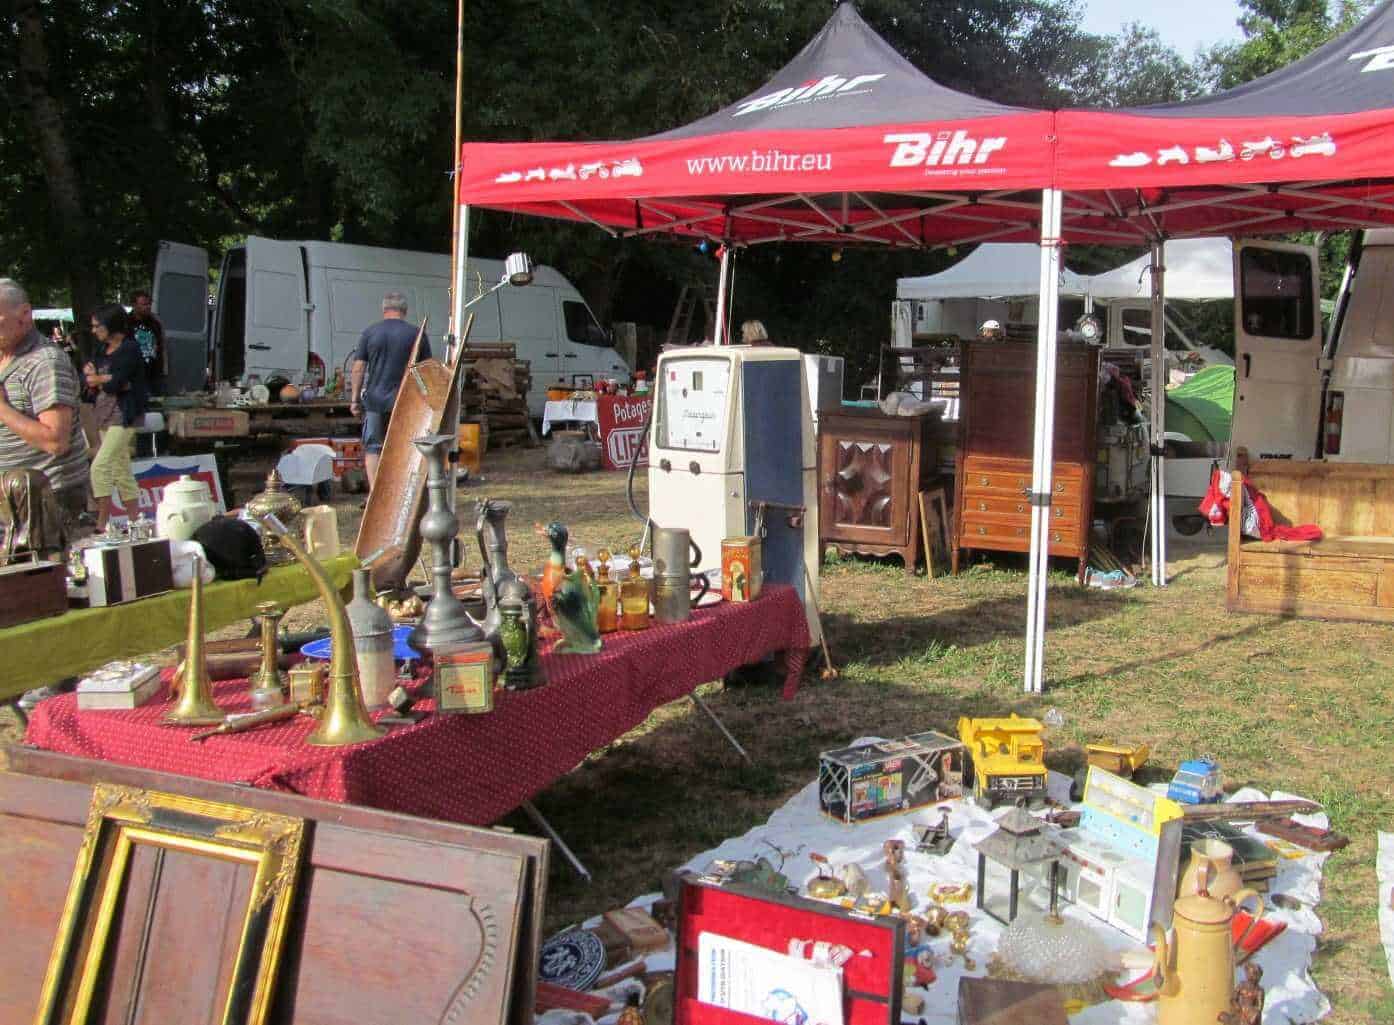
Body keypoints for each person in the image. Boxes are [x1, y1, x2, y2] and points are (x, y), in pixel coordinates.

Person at [0, 278, 89, 534]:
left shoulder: (45, 362)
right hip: (12, 504)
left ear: (25, 314)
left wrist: (2, 408)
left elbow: (56, 441)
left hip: (46, 505)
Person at [350, 291, 430, 487]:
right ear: (405, 310)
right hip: (405, 401)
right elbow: (427, 370)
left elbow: (358, 368)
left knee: (373, 448)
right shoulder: (416, 334)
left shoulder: (370, 333)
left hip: (375, 401)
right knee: (404, 447)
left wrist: (354, 400)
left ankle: (375, 494)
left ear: (384, 309)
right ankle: (401, 491)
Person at [83, 304, 148, 530]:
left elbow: (118, 382)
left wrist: (100, 379)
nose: (94, 331)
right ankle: (135, 521)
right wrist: (101, 378)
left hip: (124, 415)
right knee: (121, 470)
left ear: (110, 325)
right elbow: (91, 377)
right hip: (104, 413)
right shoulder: (101, 350)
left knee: (99, 467)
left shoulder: (130, 348)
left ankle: (102, 523)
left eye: (97, 326)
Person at [128, 288, 166, 394]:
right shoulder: (126, 323)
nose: (148, 307)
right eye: (144, 304)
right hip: (133, 374)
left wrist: (163, 370)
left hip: (154, 374)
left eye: (149, 304)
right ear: (134, 305)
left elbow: (161, 346)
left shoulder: (155, 323)